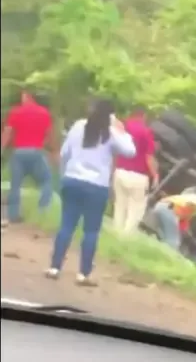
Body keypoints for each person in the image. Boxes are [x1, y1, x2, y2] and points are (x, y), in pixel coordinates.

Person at [46, 99, 137, 286]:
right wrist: (122, 130)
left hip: (72, 181)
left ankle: (55, 267)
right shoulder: (111, 133)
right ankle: (83, 273)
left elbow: (64, 154)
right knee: (91, 231)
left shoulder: (79, 126)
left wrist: (65, 173)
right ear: (111, 116)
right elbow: (130, 151)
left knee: (66, 225)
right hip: (96, 186)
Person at [1, 88, 55, 226]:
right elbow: (50, 135)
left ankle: (13, 216)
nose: (21, 98)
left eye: (23, 95)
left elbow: (7, 133)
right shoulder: (45, 113)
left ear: (28, 96)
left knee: (15, 184)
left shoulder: (16, 111)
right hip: (36, 151)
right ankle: (42, 211)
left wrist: (1, 148)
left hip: (19, 152)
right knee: (47, 180)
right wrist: (50, 149)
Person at [113, 105, 159, 234]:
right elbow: (148, 157)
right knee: (135, 210)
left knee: (119, 206)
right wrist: (155, 175)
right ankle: (126, 238)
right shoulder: (146, 132)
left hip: (120, 171)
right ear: (144, 116)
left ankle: (116, 233)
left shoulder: (122, 127)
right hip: (138, 176)